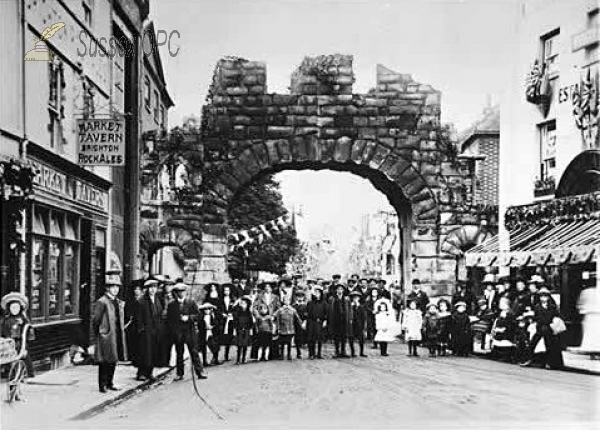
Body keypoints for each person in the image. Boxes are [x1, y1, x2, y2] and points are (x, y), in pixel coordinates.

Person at [93, 276, 127, 393]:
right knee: (104, 360)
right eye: (113, 287)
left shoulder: (117, 301)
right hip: (106, 334)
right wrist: (101, 332)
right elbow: (96, 319)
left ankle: (110, 382)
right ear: (107, 288)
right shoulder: (102, 301)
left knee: (113, 358)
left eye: (117, 287)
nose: (115, 289)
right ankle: (102, 385)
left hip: (116, 333)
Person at [166, 282, 206, 381]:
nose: (181, 294)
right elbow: (169, 320)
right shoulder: (171, 304)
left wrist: (188, 318)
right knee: (179, 353)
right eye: (179, 292)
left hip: (190, 332)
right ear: (176, 293)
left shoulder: (191, 302)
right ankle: (179, 374)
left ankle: (200, 372)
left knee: (194, 352)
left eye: (183, 291)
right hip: (178, 333)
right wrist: (174, 330)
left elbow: (199, 315)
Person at [520, 288, 564, 370]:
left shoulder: (552, 307)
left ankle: (550, 363)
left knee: (550, 345)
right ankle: (528, 359)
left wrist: (552, 322)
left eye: (545, 297)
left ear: (548, 298)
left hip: (549, 328)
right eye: (541, 297)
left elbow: (556, 317)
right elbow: (537, 317)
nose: (543, 299)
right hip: (540, 328)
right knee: (532, 344)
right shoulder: (537, 307)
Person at [0, 292, 35, 378]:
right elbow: (3, 331)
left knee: (24, 355)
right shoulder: (5, 320)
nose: (14, 309)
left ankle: (29, 374)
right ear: (9, 308)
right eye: (12, 307)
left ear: (20, 308)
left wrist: (23, 326)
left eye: (17, 307)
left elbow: (29, 330)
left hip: (20, 342)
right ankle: (7, 372)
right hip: (8, 342)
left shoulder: (23, 319)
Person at [137, 279, 164, 381]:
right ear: (147, 289)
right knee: (144, 353)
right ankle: (141, 373)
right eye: (151, 288)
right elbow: (139, 317)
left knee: (153, 352)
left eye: (154, 288)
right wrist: (141, 329)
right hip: (146, 331)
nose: (153, 290)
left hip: (156, 330)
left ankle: (149, 372)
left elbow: (159, 314)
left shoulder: (157, 300)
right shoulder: (142, 301)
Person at [273, 295, 302, 360]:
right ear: (283, 301)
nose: (286, 302)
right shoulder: (280, 310)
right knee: (282, 343)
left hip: (290, 328)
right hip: (282, 329)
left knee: (289, 343)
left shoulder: (292, 310)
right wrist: (276, 326)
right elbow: (274, 316)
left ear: (290, 301)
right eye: (285, 300)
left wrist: (301, 324)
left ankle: (289, 355)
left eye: (288, 300)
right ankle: (282, 355)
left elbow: (297, 318)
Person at [328, 284, 352, 358]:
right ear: (336, 290)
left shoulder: (346, 299)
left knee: (344, 336)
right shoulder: (332, 299)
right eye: (338, 289)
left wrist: (350, 318)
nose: (339, 290)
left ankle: (343, 351)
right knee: (336, 336)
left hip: (344, 319)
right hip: (335, 320)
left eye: (341, 289)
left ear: (343, 290)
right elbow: (329, 310)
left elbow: (350, 310)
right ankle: (337, 351)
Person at [490, 297, 517, 362]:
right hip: (499, 331)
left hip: (507, 332)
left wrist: (503, 329)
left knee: (504, 341)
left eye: (501, 303)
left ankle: (506, 356)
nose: (500, 304)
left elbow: (511, 324)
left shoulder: (510, 314)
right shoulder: (501, 313)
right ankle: (498, 354)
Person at [306, 285, 328, 359]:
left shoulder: (324, 303)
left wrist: (325, 320)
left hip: (320, 322)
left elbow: (326, 313)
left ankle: (319, 354)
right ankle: (311, 354)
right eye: (316, 292)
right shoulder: (310, 303)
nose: (317, 294)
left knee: (319, 339)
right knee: (311, 339)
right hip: (311, 322)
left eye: (319, 292)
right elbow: (308, 313)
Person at [218, 284, 236, 362]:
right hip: (223, 320)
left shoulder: (233, 299)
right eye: (225, 290)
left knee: (229, 337)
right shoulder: (220, 300)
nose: (226, 292)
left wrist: (232, 314)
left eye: (228, 290)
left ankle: (226, 355)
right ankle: (217, 356)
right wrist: (222, 314)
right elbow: (218, 309)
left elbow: (236, 309)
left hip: (231, 320)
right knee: (222, 337)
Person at [233, 296, 253, 365]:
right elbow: (235, 320)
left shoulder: (248, 312)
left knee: (245, 345)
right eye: (242, 303)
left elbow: (251, 322)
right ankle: (238, 359)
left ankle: (244, 359)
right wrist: (237, 303)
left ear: (247, 304)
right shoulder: (238, 312)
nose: (243, 305)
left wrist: (248, 328)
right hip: (239, 330)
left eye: (244, 303)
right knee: (239, 345)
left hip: (246, 330)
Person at [349, 290, 368, 357]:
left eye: (356, 297)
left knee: (361, 339)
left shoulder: (361, 307)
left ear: (359, 298)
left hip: (359, 325)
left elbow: (364, 317)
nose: (355, 299)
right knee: (351, 339)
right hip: (352, 325)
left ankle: (361, 352)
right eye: (354, 298)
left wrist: (363, 326)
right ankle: (352, 352)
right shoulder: (350, 306)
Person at [293, 292, 309, 359]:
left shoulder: (305, 306)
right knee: (297, 338)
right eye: (298, 297)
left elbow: (307, 315)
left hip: (303, 323)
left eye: (301, 297)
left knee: (303, 337)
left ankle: (305, 351)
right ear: (296, 297)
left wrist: (304, 322)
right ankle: (298, 352)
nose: (300, 298)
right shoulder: (294, 306)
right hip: (295, 324)